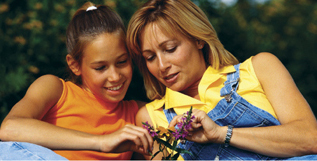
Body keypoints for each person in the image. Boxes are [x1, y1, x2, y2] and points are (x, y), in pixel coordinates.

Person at [126, 0, 317, 160]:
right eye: (150, 57)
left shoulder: (260, 68)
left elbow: (310, 139)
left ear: (198, 39)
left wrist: (220, 134)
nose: (161, 66)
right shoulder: (151, 117)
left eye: (170, 49)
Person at [0, 2, 153, 160]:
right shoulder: (55, 89)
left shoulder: (139, 114)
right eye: (100, 68)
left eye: (122, 62)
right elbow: (9, 128)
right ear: (74, 65)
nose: (115, 76)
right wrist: (102, 142)